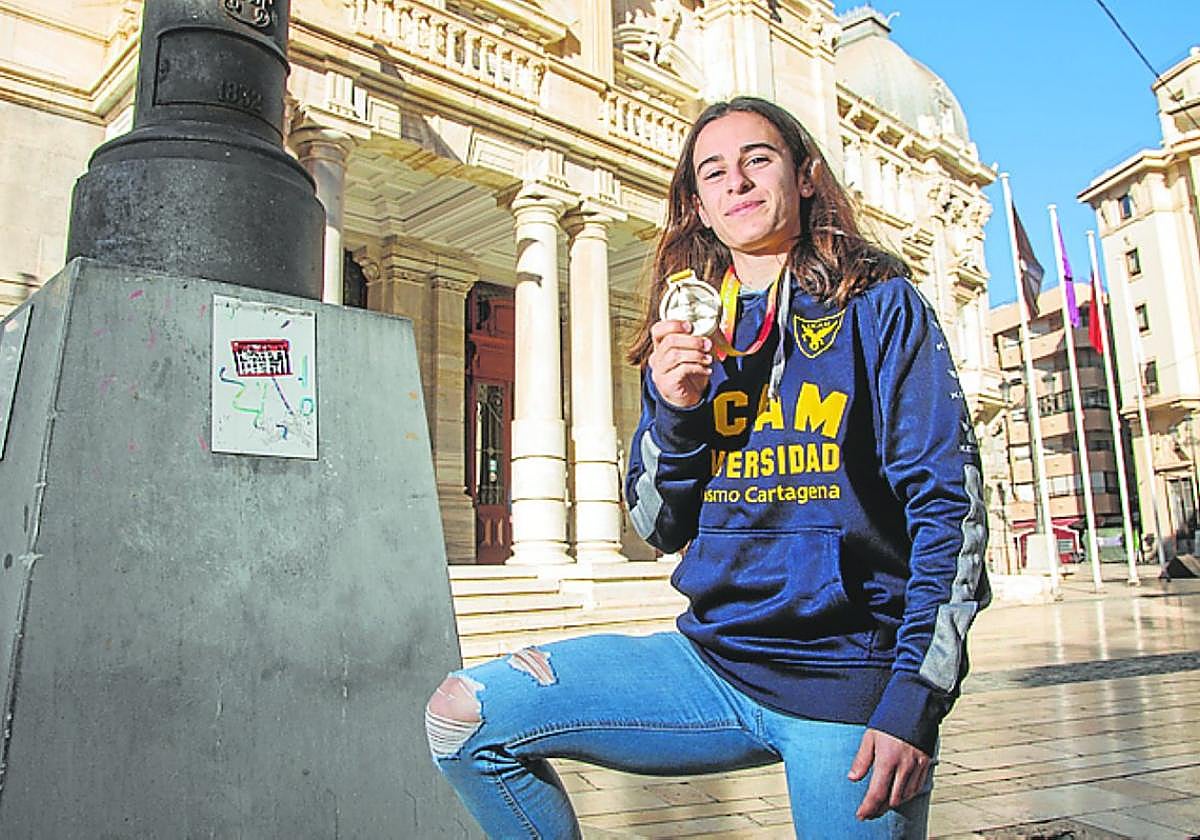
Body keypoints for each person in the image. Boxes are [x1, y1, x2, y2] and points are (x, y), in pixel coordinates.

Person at [425, 96, 989, 838]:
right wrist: (677, 410)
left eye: (758, 160)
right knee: (463, 718)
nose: (738, 183)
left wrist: (915, 699)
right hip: (711, 662)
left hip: (847, 680)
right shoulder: (688, 326)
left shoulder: (880, 305)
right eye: (714, 172)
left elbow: (949, 508)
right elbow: (657, 525)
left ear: (805, 176)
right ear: (696, 202)